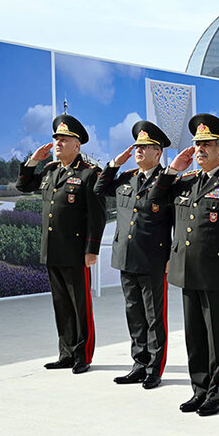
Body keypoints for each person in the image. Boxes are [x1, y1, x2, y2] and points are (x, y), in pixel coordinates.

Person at [148, 113, 219, 416]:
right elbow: (154, 201)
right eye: (197, 145)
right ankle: (198, 390)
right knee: (194, 336)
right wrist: (171, 170)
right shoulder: (186, 181)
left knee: (217, 337)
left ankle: (216, 394)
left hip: (217, 274)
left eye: (206, 144)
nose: (199, 150)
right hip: (186, 270)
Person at [15, 113, 106, 374]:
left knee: (80, 304)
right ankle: (65, 353)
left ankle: (82, 355)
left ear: (77, 145)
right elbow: (23, 185)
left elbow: (97, 215)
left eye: (64, 139)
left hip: (76, 252)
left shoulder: (90, 174)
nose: (58, 143)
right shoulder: (51, 171)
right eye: (56, 138)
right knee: (62, 305)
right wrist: (34, 160)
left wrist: (92, 250)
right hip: (53, 249)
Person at [93, 121, 174, 389]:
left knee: (153, 316)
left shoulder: (167, 181)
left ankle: (154, 368)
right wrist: (114, 164)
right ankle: (139, 364)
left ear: (158, 152)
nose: (138, 151)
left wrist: (171, 256)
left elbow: (174, 220)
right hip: (126, 256)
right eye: (137, 146)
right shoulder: (127, 177)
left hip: (152, 259)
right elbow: (99, 189)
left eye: (145, 147)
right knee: (134, 313)